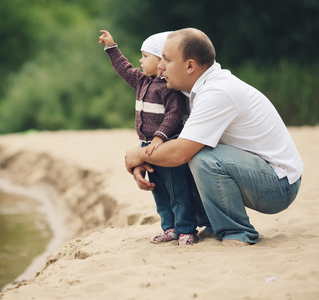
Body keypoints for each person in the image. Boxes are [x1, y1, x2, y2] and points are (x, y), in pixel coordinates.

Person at [125, 28, 303, 247]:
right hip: (253, 171)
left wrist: (139, 155)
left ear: (190, 65)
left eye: (167, 60)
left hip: (278, 185)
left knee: (200, 157)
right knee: (184, 157)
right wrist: (144, 159)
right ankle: (209, 223)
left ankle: (237, 232)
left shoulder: (217, 92)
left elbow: (179, 152)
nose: (160, 66)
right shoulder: (191, 91)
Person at [99, 30, 199, 245]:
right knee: (159, 192)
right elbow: (124, 69)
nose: (140, 61)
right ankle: (169, 228)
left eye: (145, 56)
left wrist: (159, 138)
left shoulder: (169, 87)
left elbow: (173, 115)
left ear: (161, 59)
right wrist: (111, 48)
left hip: (166, 144)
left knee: (178, 191)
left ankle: (186, 230)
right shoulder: (142, 80)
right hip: (147, 145)